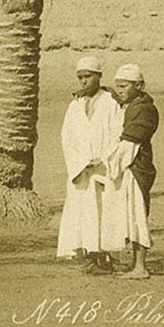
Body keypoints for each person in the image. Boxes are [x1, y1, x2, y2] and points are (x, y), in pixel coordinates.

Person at [57, 54, 122, 271]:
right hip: (81, 169)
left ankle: (106, 256)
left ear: (99, 76)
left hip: (103, 167)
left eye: (88, 76)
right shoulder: (75, 105)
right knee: (84, 212)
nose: (84, 81)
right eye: (80, 77)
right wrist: (79, 162)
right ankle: (91, 256)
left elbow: (117, 134)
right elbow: (67, 137)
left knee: (104, 211)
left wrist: (104, 158)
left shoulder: (111, 103)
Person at [103, 63, 160, 279]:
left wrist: (109, 162)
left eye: (124, 86)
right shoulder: (129, 106)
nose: (119, 90)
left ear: (139, 86)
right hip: (125, 167)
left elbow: (131, 142)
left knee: (137, 216)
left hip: (135, 167)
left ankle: (140, 267)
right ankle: (134, 265)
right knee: (128, 215)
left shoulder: (144, 110)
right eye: (117, 86)